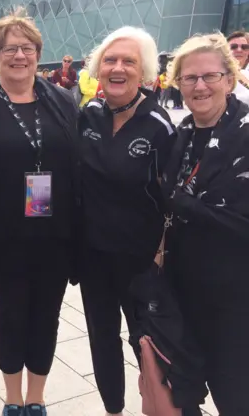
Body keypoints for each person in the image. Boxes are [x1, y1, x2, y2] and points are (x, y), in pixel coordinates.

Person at [0, 10, 79, 416]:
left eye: (27, 48)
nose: (19, 56)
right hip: (4, 235)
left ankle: (37, 398)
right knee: (10, 316)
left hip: (55, 235)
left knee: (47, 316)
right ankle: (13, 399)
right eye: (10, 49)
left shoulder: (64, 103)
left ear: (38, 55)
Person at [78, 26, 176, 416]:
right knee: (102, 338)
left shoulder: (160, 125)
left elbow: (174, 200)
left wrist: (163, 256)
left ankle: (160, 408)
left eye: (129, 62)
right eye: (110, 60)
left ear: (145, 72)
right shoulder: (88, 115)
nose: (118, 68)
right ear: (98, 69)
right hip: (93, 256)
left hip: (141, 261)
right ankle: (113, 410)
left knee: (148, 344)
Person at [162, 33, 249, 415]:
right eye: (189, 78)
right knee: (185, 391)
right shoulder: (181, 135)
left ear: (229, 79)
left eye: (209, 76)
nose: (199, 86)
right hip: (185, 291)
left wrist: (186, 206)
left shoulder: (244, 133)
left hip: (235, 298)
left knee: (235, 394)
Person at [227, 30, 249, 105]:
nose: (239, 50)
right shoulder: (220, 75)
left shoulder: (246, 74)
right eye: (233, 47)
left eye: (244, 47)